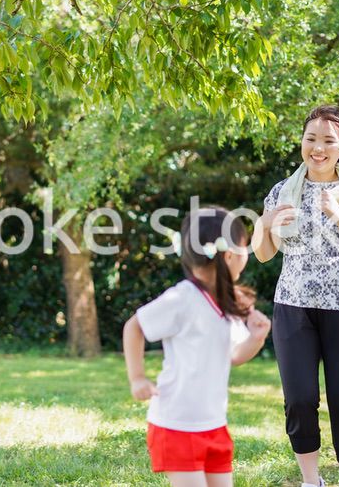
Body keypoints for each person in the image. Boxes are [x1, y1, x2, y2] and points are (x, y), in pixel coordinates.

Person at [252, 105, 339, 487]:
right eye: (311, 139)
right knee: (298, 399)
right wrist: (265, 224)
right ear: (302, 143)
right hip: (293, 308)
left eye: (328, 140)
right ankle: (312, 481)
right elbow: (263, 253)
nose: (318, 148)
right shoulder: (283, 191)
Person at [123, 205, 271, 487]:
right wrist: (137, 377)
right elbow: (135, 326)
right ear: (229, 255)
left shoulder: (228, 303)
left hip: (213, 424)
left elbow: (235, 356)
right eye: (245, 250)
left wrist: (256, 338)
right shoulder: (183, 298)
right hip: (177, 425)